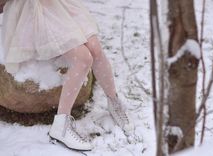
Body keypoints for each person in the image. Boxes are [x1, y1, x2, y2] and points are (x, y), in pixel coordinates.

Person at [1, 0, 134, 151]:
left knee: (95, 49)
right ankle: (61, 125)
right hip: (31, 10)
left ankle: (114, 102)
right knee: (83, 59)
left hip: (58, 5)